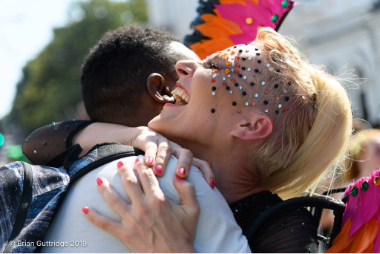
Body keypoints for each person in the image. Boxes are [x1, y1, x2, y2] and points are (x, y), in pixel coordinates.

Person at [25, 27, 353, 252]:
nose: (184, 67)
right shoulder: (147, 157)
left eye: (212, 65)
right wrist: (133, 133)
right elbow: (38, 145)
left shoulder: (285, 225)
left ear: (251, 126)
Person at [24, 25, 251, 253]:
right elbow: (33, 144)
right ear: (161, 90)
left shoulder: (81, 174)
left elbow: (34, 144)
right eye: (189, 70)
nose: (198, 72)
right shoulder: (179, 179)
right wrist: (137, 135)